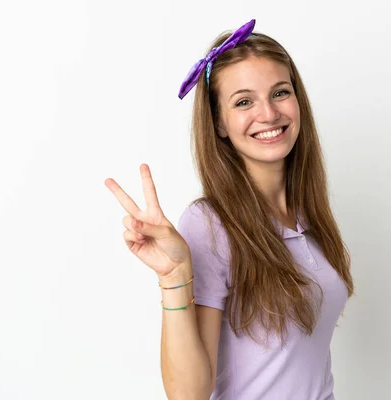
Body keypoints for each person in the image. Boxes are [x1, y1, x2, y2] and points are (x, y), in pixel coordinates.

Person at [105, 19, 354, 400]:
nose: (268, 114)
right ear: (219, 122)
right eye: (243, 102)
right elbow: (189, 394)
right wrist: (174, 277)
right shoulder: (210, 224)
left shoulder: (309, 215)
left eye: (280, 93)